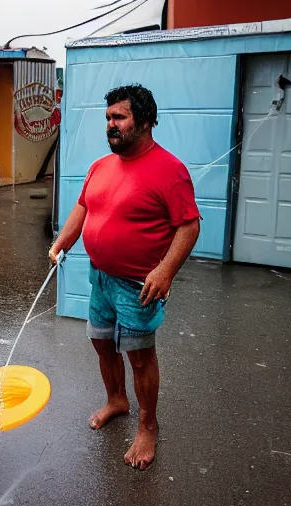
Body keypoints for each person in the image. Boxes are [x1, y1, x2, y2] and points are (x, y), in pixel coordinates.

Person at [49, 85, 201, 471]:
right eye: (107, 119)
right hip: (99, 278)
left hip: (138, 287)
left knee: (139, 357)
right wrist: (63, 242)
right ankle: (117, 401)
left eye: (119, 118)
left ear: (146, 121)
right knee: (102, 344)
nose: (110, 126)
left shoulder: (170, 170)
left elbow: (189, 226)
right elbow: (84, 206)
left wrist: (166, 270)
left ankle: (148, 425)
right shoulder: (101, 166)